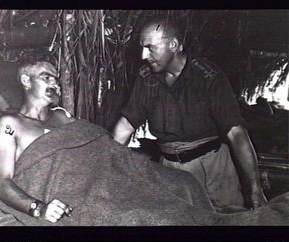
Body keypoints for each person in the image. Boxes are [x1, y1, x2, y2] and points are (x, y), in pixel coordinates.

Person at [113, 16, 267, 210]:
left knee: (225, 223)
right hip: (170, 169)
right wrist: (108, 164)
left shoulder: (208, 78)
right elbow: (126, 125)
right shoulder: (145, 79)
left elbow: (236, 134)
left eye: (150, 47)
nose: (143, 56)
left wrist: (255, 189)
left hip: (213, 168)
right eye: (142, 48)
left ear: (174, 44)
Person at [0, 54, 75, 223]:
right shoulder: (10, 125)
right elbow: (2, 181)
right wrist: (38, 208)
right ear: (27, 81)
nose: (54, 84)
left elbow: (94, 147)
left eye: (56, 80)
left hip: (80, 195)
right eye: (46, 77)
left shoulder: (64, 117)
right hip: (47, 201)